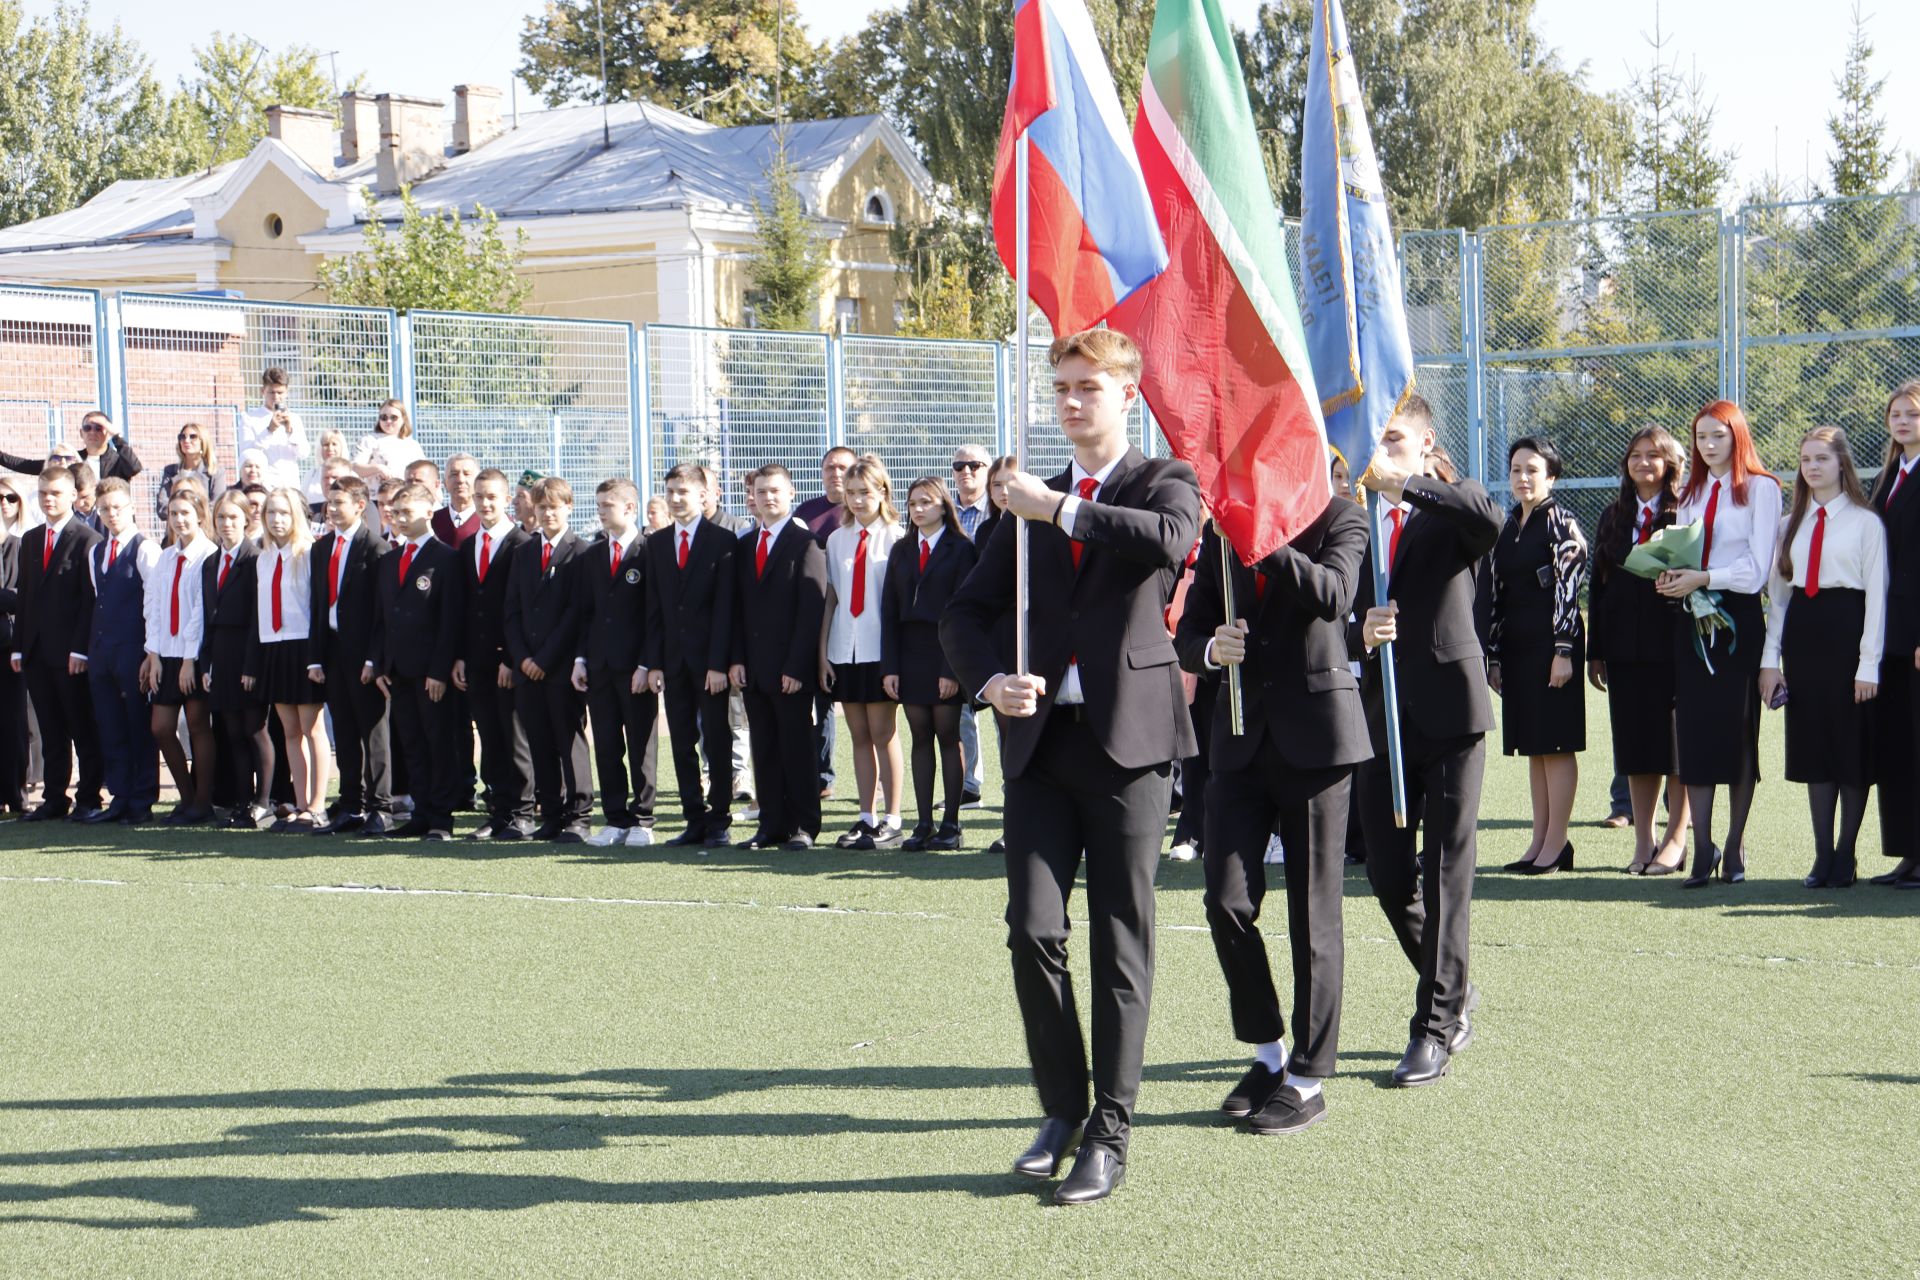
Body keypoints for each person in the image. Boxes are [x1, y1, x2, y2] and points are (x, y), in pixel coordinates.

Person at [940, 328, 1202, 1205]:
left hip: (1131, 749)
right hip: (1043, 747)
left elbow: (1166, 542)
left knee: (1120, 935)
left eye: (1089, 385)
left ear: (1128, 391)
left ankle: (1111, 1129)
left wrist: (1054, 507)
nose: (1072, 400)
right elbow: (963, 615)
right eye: (1061, 386)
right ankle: (1061, 1106)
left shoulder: (1162, 479)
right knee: (1032, 928)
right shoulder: (1022, 511)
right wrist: (989, 681)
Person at [1175, 486, 1370, 1135]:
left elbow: (1334, 595)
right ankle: (1268, 1054)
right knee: (1225, 900)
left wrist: (1267, 540)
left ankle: (1309, 1078)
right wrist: (1209, 650)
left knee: (1314, 911)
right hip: (1237, 739)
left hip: (1317, 742)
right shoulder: (1222, 534)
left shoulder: (1342, 515)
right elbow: (1190, 630)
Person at [1354, 394, 1501, 1088]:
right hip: (1381, 716)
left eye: (1392, 439)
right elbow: (1334, 602)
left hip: (1448, 712)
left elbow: (1487, 517)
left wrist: (1405, 485)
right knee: (1387, 875)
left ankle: (1435, 1024)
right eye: (1372, 443)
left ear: (1423, 443)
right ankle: (1454, 983)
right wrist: (1361, 628)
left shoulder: (1443, 508)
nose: (1378, 452)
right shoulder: (1355, 522)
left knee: (1446, 871)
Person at [1657, 401, 1782, 888]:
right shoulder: (1690, 493)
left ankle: (1733, 845)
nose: (1708, 446)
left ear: (1737, 437)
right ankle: (1703, 846)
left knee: (1736, 734)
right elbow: (1683, 552)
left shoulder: (1762, 489)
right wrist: (1669, 578)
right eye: (1701, 437)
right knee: (1694, 733)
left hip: (1737, 625)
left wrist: (1705, 576)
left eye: (1718, 436)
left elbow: (1757, 570)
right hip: (1692, 622)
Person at [1759, 427, 1886, 889]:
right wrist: (1770, 660)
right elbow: (1778, 598)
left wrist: (1867, 664)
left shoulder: (1865, 522)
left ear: (1842, 465)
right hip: (1804, 640)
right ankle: (1821, 854)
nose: (1812, 467)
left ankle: (1846, 855)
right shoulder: (1791, 521)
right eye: (1806, 459)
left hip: (1848, 633)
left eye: (1822, 459)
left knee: (1850, 748)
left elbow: (1877, 597)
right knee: (1815, 748)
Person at [1588, 426, 1692, 874]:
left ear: (1669, 463)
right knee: (1635, 747)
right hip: (1624, 650)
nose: (1643, 463)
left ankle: (1676, 839)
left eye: (1653, 455)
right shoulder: (1613, 515)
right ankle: (1644, 841)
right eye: (1635, 455)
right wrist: (1596, 651)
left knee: (1674, 748)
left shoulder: (1683, 512)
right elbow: (1598, 585)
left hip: (1672, 645)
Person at [1489, 437, 1588, 875]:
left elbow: (1569, 587)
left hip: (1553, 645)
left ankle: (1557, 843)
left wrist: (1563, 650)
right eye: (1516, 469)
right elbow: (1495, 591)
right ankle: (1540, 841)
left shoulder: (1560, 522)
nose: (1523, 477)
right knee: (1534, 745)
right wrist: (1494, 654)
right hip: (1518, 644)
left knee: (1556, 741)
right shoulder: (1509, 524)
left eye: (1532, 469)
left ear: (1551, 476)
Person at [730, 464, 829, 851]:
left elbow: (812, 610)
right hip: (753, 669)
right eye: (760, 491)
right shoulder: (743, 545)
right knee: (765, 749)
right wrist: (736, 658)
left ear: (791, 494)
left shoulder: (806, 544)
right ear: (750, 497)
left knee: (797, 748)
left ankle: (803, 825)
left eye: (775, 490)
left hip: (790, 669)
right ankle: (771, 824)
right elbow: (736, 609)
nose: (767, 497)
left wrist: (796, 666)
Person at [642, 464, 737, 847]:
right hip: (673, 662)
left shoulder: (722, 540)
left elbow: (726, 609)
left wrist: (718, 664)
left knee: (716, 741)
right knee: (681, 741)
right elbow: (654, 609)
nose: (676, 498)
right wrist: (654, 662)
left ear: (703, 495)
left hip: (709, 664)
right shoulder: (657, 543)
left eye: (684, 491)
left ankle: (720, 821)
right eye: (671, 491)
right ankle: (693, 818)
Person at [883, 476, 977, 851]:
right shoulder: (902, 549)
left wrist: (950, 670)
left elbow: (962, 612)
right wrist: (889, 666)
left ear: (944, 506)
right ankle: (922, 823)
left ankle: (950, 825)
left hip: (944, 651)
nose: (918, 509)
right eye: (913, 503)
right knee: (919, 735)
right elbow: (889, 610)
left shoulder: (961, 549)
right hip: (909, 653)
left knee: (947, 735)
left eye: (927, 502)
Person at [822, 454, 905, 849]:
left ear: (882, 492)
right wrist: (824, 650)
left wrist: (897, 658)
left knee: (883, 732)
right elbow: (834, 597)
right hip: (845, 647)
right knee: (858, 734)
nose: (856, 500)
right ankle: (866, 816)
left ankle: (893, 816)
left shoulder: (897, 536)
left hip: (880, 648)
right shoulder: (837, 539)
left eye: (864, 492)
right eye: (850, 493)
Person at [12, 465, 105, 822]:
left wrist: (80, 650)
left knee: (81, 726)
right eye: (43, 493)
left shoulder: (86, 540)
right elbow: (25, 599)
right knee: (51, 730)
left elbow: (88, 601)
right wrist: (21, 647)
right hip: (36, 654)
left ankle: (89, 797)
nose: (48, 500)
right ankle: (54, 798)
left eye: (55, 493)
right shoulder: (32, 540)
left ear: (72, 496)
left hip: (70, 655)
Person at [372, 482, 463, 841]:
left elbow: (450, 621)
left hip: (430, 672)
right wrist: (381, 664)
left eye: (407, 512)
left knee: (438, 741)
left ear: (429, 512)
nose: (400, 519)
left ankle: (442, 818)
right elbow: (382, 618)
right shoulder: (390, 560)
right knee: (411, 742)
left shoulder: (445, 559)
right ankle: (421, 813)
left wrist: (440, 670)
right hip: (398, 671)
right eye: (395, 513)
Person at [506, 477, 593, 842]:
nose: (548, 513)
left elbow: (578, 613)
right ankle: (552, 813)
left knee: (568, 739)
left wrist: (545, 658)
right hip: (529, 669)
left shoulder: (582, 552)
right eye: (542, 507)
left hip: (560, 668)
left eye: (555, 506)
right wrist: (523, 658)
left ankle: (579, 815)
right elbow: (511, 611)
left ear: (569, 507)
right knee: (538, 741)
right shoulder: (524, 552)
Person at [306, 476, 394, 837]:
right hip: (333, 651)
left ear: (360, 506)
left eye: (339, 503)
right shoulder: (322, 547)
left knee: (373, 730)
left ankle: (381, 807)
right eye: (329, 502)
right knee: (343, 729)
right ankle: (351, 804)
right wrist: (315, 658)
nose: (331, 509)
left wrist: (374, 660)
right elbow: (316, 605)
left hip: (363, 655)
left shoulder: (374, 548)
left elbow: (381, 613)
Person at [572, 478, 657, 848]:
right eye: (599, 505)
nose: (601, 511)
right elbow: (584, 613)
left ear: (629, 508)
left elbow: (655, 615)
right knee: (606, 744)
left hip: (634, 668)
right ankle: (615, 819)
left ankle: (643, 818)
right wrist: (580, 659)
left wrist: (645, 664)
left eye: (608, 505)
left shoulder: (648, 552)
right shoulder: (591, 555)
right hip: (599, 666)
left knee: (641, 745)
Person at [452, 468, 534, 842]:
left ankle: (523, 812)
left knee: (515, 736)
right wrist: (460, 656)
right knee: (489, 735)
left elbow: (521, 607)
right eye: (479, 496)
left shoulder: (522, 544)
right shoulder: (468, 546)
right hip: (477, 660)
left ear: (507, 501)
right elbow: (465, 606)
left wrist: (511, 658)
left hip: (508, 661)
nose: (484, 503)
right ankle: (499, 810)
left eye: (492, 497)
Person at [83, 478, 160, 825]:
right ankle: (120, 795)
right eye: (105, 509)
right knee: (110, 726)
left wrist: (150, 652)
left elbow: (153, 604)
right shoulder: (96, 551)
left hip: (134, 651)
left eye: (118, 507)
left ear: (131, 508)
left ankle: (141, 799)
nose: (112, 514)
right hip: (103, 653)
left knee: (137, 725)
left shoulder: (146, 549)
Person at [250, 487, 327, 831]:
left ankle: (318, 804)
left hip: (304, 647)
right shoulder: (263, 557)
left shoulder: (309, 553)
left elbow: (317, 608)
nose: (277, 519)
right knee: (290, 731)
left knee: (312, 729)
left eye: (283, 512)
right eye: (271, 513)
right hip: (275, 647)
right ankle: (299, 803)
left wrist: (317, 657)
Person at [1869, 380, 1920, 888]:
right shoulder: (1890, 475)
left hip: (1916, 632)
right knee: (1898, 745)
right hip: (1889, 635)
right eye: (1896, 415)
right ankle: (1908, 852)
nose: (1903, 422)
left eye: (1912, 414)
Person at [142, 486, 218, 824]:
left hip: (194, 653)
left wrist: (190, 660)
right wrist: (154, 653)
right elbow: (156, 606)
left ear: (200, 515)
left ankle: (203, 802)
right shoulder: (166, 557)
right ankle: (187, 797)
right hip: (167, 652)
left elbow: (201, 613)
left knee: (199, 725)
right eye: (174, 514)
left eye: (185, 513)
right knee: (160, 727)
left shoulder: (208, 555)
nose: (179, 519)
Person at [200, 491, 272, 829]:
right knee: (232, 733)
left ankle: (263, 802)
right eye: (221, 518)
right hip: (221, 656)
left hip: (248, 653)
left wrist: (251, 666)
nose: (226, 524)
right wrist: (205, 664)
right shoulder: (211, 563)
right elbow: (207, 618)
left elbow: (259, 618)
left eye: (233, 517)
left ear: (246, 519)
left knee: (255, 730)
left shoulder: (256, 559)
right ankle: (242, 801)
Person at [795, 445, 854, 797]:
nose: (836, 473)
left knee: (863, 703)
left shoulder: (861, 509)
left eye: (843, 467)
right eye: (830, 467)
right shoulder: (807, 512)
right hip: (815, 618)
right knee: (822, 700)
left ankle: (875, 780)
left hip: (853, 618)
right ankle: (822, 775)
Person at [951, 445, 993, 808]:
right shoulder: (946, 514)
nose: (967, 472)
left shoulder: (1000, 516)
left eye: (975, 465)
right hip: (964, 622)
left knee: (1006, 712)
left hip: (997, 623)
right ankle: (970, 783)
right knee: (966, 710)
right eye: (959, 466)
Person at [0, 411, 142, 483]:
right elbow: (28, 465)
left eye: (99, 427)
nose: (92, 432)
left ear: (108, 431)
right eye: (88, 427)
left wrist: (116, 436)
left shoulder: (118, 460)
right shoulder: (71, 458)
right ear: (81, 433)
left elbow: (134, 467)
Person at [236, 368, 310, 491]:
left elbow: (304, 453)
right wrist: (269, 430)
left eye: (280, 392)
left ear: (287, 392)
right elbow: (247, 453)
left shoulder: (294, 418)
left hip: (291, 485)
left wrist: (290, 431)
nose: (276, 397)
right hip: (265, 485)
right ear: (263, 391)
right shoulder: (249, 418)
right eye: (271, 392)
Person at [0, 480, 27, 815]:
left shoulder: (23, 546)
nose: (3, 503)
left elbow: (26, 598)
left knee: (13, 723)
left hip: (11, 648)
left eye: (9, 497)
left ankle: (15, 793)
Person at [154, 422, 222, 524]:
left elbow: (217, 506)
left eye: (193, 437)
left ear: (203, 441)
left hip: (204, 531)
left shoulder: (215, 472)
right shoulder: (171, 471)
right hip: (175, 531)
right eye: (182, 437)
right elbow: (162, 506)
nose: (186, 440)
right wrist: (179, 514)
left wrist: (189, 515)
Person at [435, 453, 482, 547]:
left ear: (478, 482)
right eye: (454, 474)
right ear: (444, 483)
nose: (460, 480)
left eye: (467, 474)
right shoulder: (432, 521)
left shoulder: (489, 520)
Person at [304, 430, 349, 512]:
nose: (330, 448)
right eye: (326, 445)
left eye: (334, 444)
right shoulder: (311, 475)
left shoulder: (351, 474)